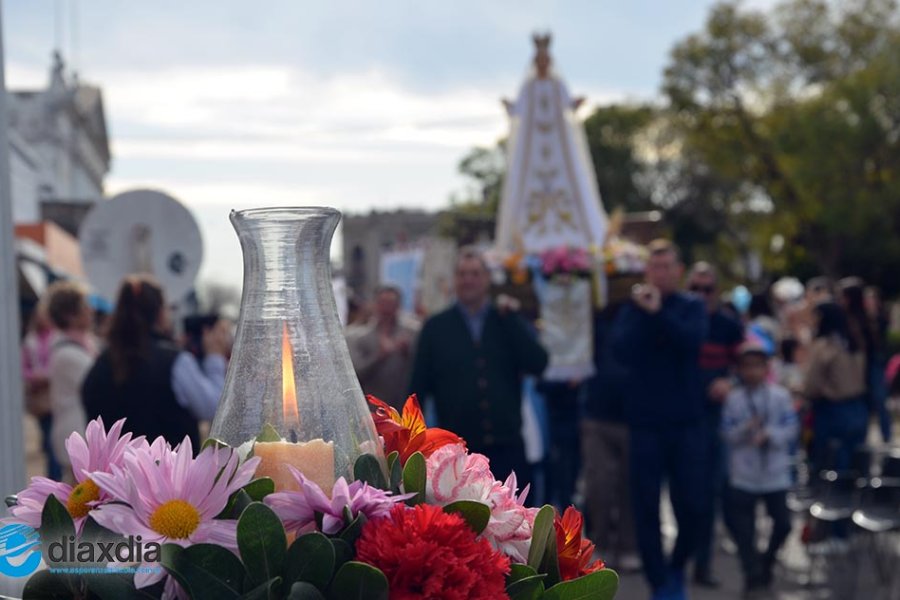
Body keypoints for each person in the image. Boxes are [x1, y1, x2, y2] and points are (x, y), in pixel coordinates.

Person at [611, 239, 709, 600]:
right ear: (647, 271)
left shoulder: (691, 306)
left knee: (695, 506)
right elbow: (621, 350)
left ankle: (677, 566)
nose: (661, 273)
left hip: (686, 424)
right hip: (645, 425)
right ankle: (659, 582)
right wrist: (644, 313)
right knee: (646, 507)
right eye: (655, 267)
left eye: (667, 266)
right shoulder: (633, 310)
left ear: (678, 271)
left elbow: (691, 342)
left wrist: (658, 314)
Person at [409, 247, 549, 486]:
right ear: (455, 280)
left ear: (486, 279)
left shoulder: (505, 319)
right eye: (462, 274)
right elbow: (417, 389)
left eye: (475, 274)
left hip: (507, 447)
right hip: (458, 454)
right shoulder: (436, 327)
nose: (468, 280)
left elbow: (539, 363)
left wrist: (513, 320)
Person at [82, 275, 231, 447]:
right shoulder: (174, 361)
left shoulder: (101, 363)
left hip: (113, 472)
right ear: (160, 313)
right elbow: (212, 407)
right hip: (168, 472)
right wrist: (214, 357)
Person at [722, 342, 798, 597]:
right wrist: (746, 429)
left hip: (774, 473)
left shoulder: (780, 396)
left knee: (784, 524)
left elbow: (791, 429)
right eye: (747, 366)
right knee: (744, 530)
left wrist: (769, 435)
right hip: (743, 473)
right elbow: (726, 433)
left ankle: (765, 564)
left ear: (767, 368)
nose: (753, 371)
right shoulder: (734, 399)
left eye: (758, 366)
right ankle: (752, 575)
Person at [686, 262, 744, 588]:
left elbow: (748, 365)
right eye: (695, 288)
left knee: (710, 495)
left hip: (712, 422)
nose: (701, 295)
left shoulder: (727, 325)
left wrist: (729, 382)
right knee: (683, 497)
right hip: (679, 421)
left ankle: (703, 563)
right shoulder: (677, 320)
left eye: (707, 289)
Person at [582, 301, 640, 572]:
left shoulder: (642, 310)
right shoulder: (589, 313)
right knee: (599, 485)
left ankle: (628, 545)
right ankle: (599, 543)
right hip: (597, 414)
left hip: (633, 415)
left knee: (631, 485)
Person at [803, 301, 868, 474]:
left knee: (830, 462)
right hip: (858, 406)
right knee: (854, 458)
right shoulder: (854, 341)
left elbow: (812, 384)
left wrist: (806, 393)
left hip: (831, 409)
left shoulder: (824, 346)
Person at [45, 282, 98, 483]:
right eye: (84, 306)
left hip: (79, 437)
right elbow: (97, 383)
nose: (90, 310)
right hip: (76, 442)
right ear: (70, 315)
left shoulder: (80, 346)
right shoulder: (67, 353)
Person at [347, 285, 420, 409]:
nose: (387, 309)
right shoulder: (360, 337)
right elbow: (355, 374)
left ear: (398, 306)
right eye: (383, 303)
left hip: (403, 408)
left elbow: (423, 370)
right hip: (372, 409)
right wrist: (379, 357)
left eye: (391, 304)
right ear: (376, 305)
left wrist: (408, 352)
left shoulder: (411, 333)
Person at [21, 301, 63, 480]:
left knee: (53, 440)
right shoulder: (30, 341)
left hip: (55, 396)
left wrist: (45, 375)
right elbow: (23, 368)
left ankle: (54, 476)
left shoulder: (56, 338)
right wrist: (34, 376)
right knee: (48, 438)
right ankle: (53, 477)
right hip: (40, 399)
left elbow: (57, 365)